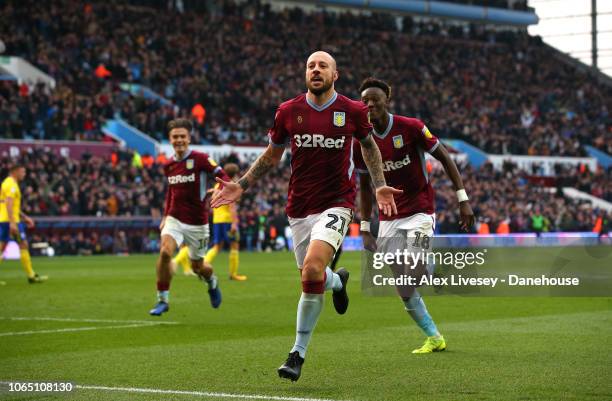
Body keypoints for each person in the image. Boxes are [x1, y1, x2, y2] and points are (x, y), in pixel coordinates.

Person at [211, 51, 400, 381]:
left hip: (337, 203)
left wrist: (380, 184)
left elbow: (369, 147)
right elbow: (272, 155)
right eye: (311, 66)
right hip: (299, 208)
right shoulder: (288, 111)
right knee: (312, 279)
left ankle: (296, 354)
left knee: (313, 268)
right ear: (305, 74)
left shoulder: (352, 111)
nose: (316, 70)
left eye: (322, 66)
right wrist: (241, 184)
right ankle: (338, 281)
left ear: (334, 75)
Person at [355, 77, 475, 354]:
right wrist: (364, 226)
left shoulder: (411, 127)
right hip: (388, 218)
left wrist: (463, 199)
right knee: (404, 288)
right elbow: (363, 185)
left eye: (375, 99)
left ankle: (429, 264)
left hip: (420, 210)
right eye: (365, 101)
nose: (370, 104)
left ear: (388, 100)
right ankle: (434, 337)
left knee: (415, 269)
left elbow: (444, 156)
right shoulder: (360, 141)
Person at [149, 118, 230, 316]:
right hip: (174, 219)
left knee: (198, 267)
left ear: (189, 138)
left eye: (182, 136)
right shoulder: (168, 165)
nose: (179, 140)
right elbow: (171, 192)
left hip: (197, 222)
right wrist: (165, 215)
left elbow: (224, 177)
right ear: (169, 139)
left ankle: (212, 282)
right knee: (165, 253)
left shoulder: (201, 159)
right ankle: (162, 299)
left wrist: (220, 189)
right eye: (175, 137)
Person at [173, 163, 247, 280]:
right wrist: (234, 223)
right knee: (234, 246)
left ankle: (201, 266)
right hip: (227, 219)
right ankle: (233, 274)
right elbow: (232, 206)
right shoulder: (231, 186)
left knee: (217, 246)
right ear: (235, 174)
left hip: (217, 220)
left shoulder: (218, 185)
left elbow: (212, 195)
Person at [0, 164, 47, 284]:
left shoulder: (8, 183)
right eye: (22, 172)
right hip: (10, 221)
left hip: (6, 220)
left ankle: (31, 275)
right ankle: (31, 276)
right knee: (23, 244)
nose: (24, 174)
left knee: (3, 247)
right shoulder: (11, 185)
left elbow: (11, 205)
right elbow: (9, 204)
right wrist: (12, 222)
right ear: (15, 171)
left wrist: (25, 217)